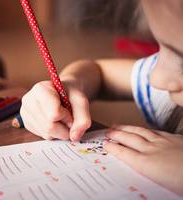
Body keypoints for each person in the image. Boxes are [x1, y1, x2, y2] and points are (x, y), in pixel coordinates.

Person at [20, 0, 183, 196]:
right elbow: (98, 72)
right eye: (160, 48)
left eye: (181, 58)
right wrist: (71, 84)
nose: (155, 78)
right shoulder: (167, 83)